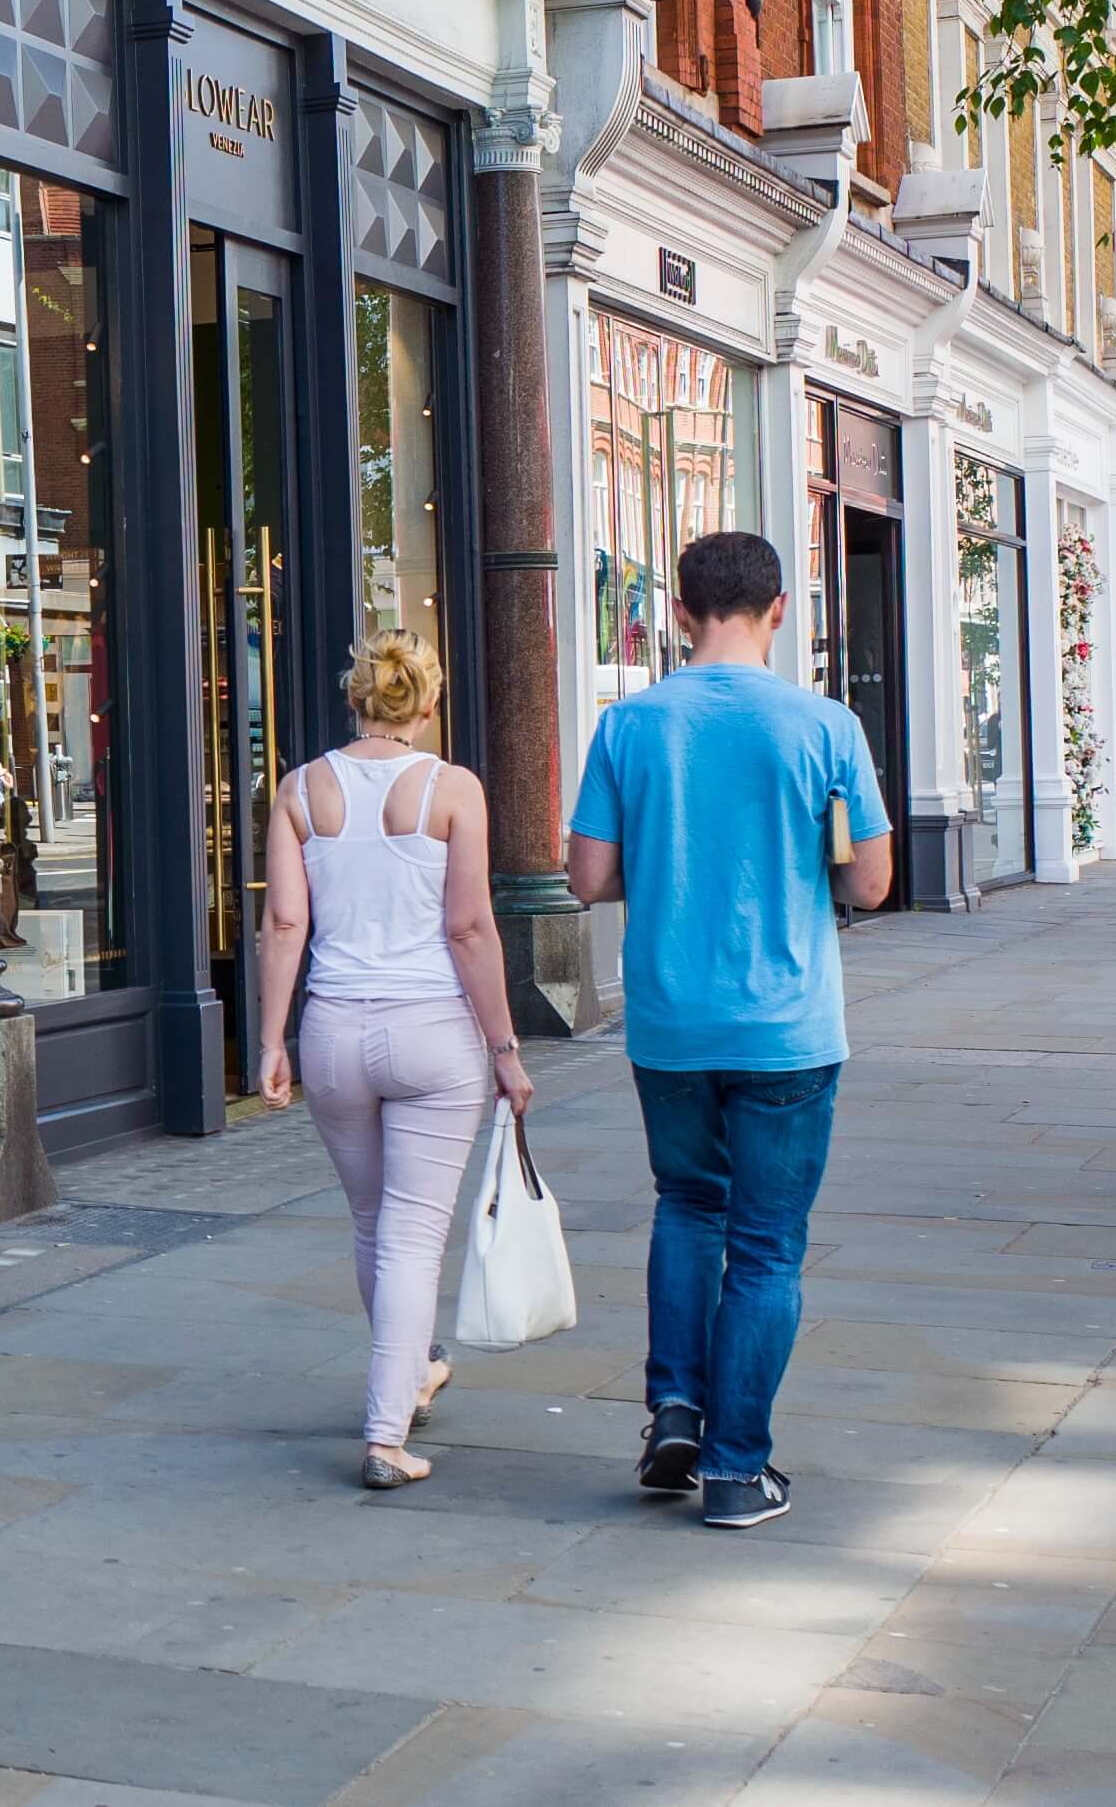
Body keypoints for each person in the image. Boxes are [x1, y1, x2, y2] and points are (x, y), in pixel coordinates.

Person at [566, 532, 893, 1531]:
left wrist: (663, 866)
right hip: (786, 1025)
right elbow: (872, 882)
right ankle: (736, 1468)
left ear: (678, 609)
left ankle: (674, 1405)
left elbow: (583, 878)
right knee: (763, 1245)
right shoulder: (824, 725)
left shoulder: (628, 723)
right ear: (779, 609)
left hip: (668, 1018)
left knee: (685, 1206)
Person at [256, 631, 536, 1492]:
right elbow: (468, 929)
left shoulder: (301, 790)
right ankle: (386, 1436)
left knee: (375, 1226)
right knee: (414, 1238)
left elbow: (284, 925)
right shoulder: (452, 790)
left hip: (334, 1032)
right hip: (432, 1035)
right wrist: (505, 1048)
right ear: (425, 703)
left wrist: (271, 1040)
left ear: (356, 698)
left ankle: (410, 1373)